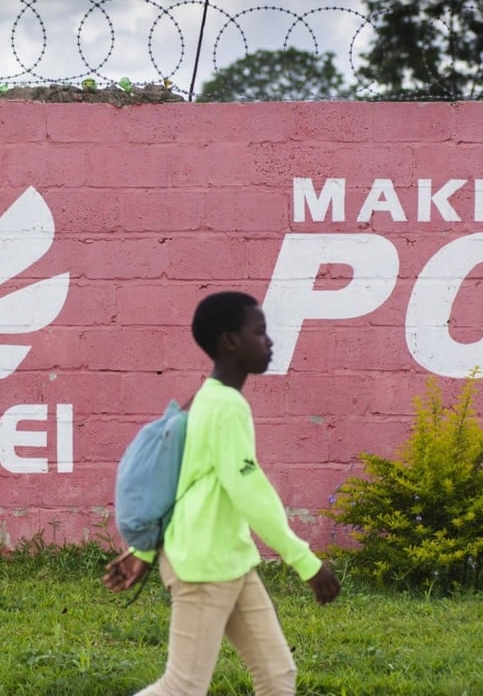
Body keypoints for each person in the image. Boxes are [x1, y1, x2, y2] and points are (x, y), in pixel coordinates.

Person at [103, 290, 341, 695]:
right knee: (182, 687)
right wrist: (305, 561)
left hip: (231, 562)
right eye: (260, 332)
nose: (269, 343)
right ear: (230, 341)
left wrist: (145, 552)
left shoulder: (209, 399)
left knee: (277, 676)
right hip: (203, 567)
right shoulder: (225, 406)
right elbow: (249, 490)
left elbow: (180, 480)